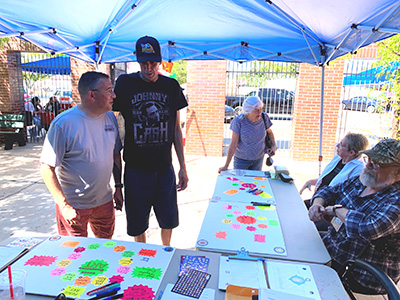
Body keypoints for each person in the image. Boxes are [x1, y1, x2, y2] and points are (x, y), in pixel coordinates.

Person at [113, 35, 188, 246]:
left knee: (169, 220)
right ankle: (142, 254)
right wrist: (117, 180)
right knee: (138, 223)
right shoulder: (125, 83)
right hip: (136, 170)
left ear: (160, 61)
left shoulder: (171, 86)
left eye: (153, 63)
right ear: (137, 62)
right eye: (144, 64)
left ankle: (166, 251)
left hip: (164, 168)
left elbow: (175, 129)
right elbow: (116, 123)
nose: (149, 68)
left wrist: (182, 167)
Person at [308, 138, 400, 294]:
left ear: (397, 172)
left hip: (361, 273)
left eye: (377, 164)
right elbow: (329, 191)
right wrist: (317, 203)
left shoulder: (396, 200)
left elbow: (367, 227)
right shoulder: (363, 181)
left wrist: (337, 210)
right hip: (334, 252)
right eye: (368, 159)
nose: (369, 166)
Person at [40, 71, 123, 238]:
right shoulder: (64, 124)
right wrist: (64, 206)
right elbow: (46, 168)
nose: (113, 95)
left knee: (105, 249)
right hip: (74, 205)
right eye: (108, 90)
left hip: (104, 201)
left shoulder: (110, 118)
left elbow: (115, 155)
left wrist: (118, 187)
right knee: (73, 255)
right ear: (92, 95)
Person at [218, 96, 277, 172]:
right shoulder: (238, 121)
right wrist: (226, 166)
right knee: (240, 182)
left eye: (260, 109)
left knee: (255, 182)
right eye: (256, 111)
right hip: (241, 161)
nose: (259, 113)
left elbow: (269, 132)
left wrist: (273, 146)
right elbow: (233, 144)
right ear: (247, 112)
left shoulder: (264, 117)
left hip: (258, 159)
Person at [300, 133, 369, 196]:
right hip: (318, 198)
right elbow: (328, 179)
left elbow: (346, 194)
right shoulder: (338, 158)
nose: (337, 146)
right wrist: (311, 182)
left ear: (351, 152)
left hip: (329, 205)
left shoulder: (359, 169)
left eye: (341, 145)